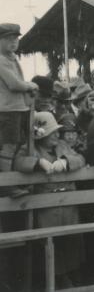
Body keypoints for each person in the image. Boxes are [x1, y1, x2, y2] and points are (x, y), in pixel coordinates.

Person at [13, 111, 86, 288]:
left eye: (56, 132)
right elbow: (18, 162)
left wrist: (65, 161)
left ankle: (71, 277)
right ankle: (58, 279)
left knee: (71, 241)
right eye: (52, 132)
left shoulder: (62, 146)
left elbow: (80, 158)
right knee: (50, 243)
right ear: (41, 134)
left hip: (68, 204)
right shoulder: (30, 148)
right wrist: (38, 163)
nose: (56, 135)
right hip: (47, 208)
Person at [0, 23, 39, 198]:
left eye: (15, 38)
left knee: (15, 145)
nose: (13, 42)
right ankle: (6, 186)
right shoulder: (1, 59)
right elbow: (14, 84)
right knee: (9, 146)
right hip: (8, 109)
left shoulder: (11, 58)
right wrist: (30, 85)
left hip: (17, 107)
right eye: (8, 39)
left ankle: (12, 183)